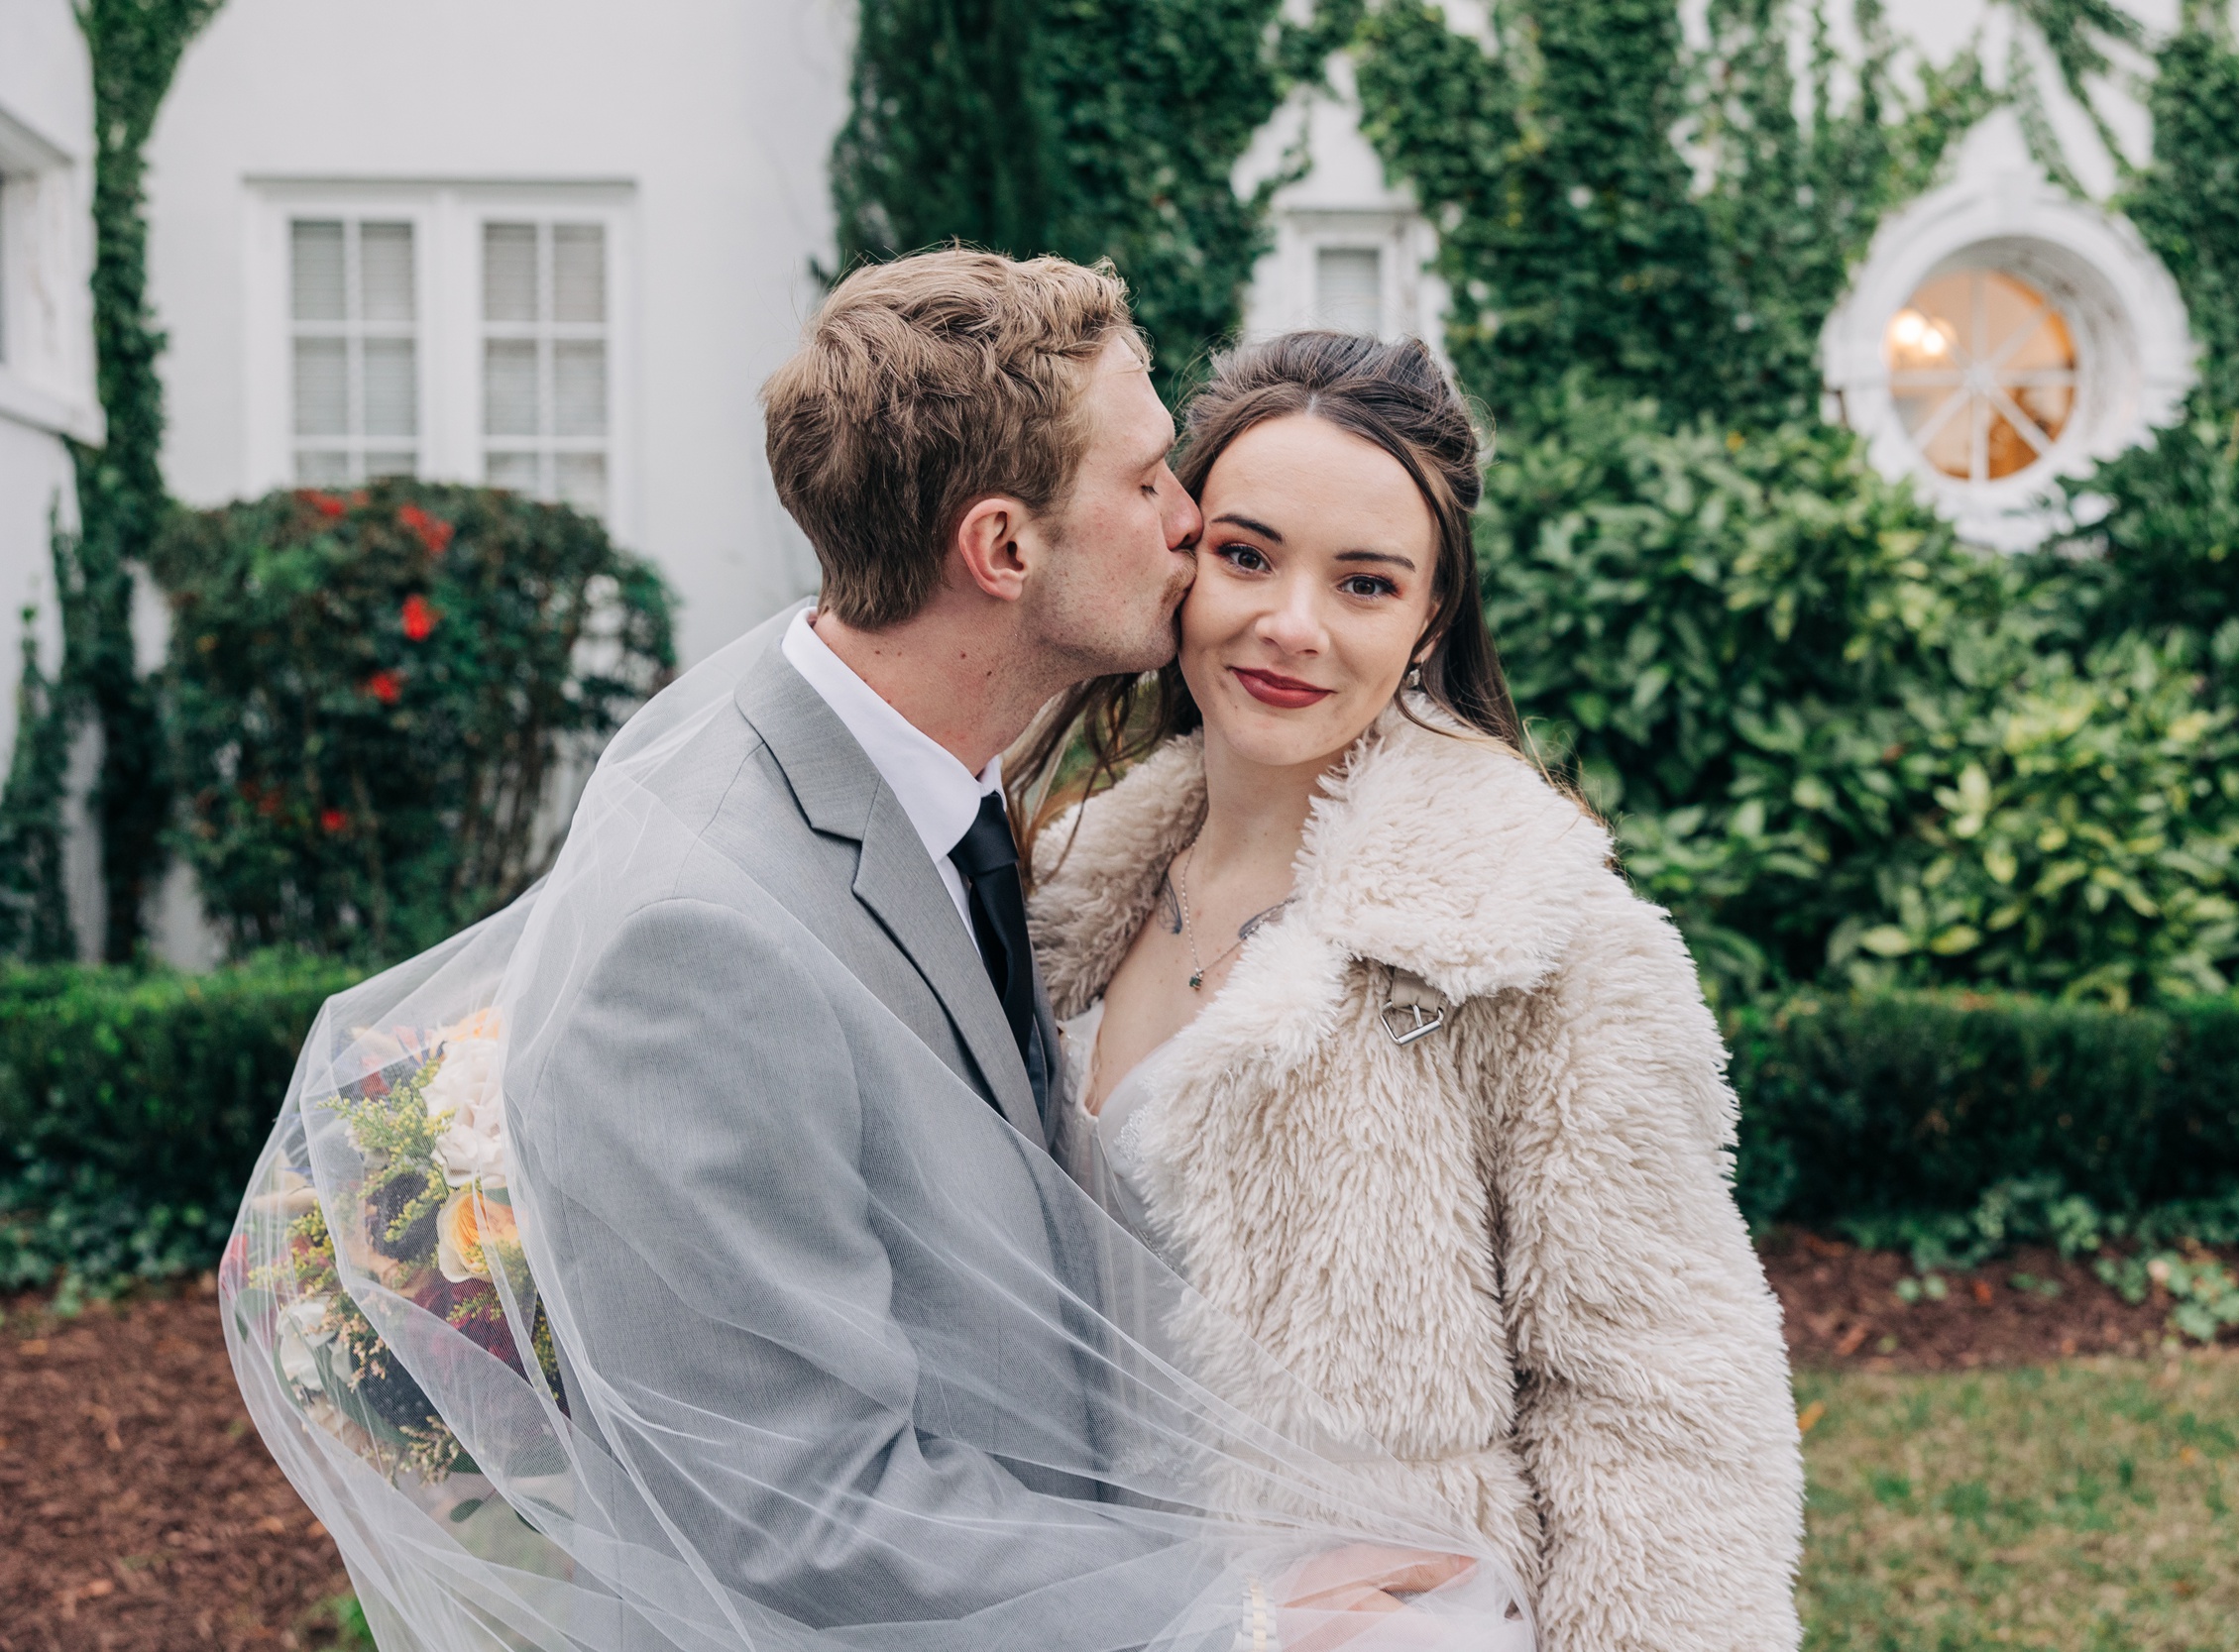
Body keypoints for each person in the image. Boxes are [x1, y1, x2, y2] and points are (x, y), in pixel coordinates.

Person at [224, 253, 1527, 1652]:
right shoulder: (702, 939)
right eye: (1146, 481)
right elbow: (787, 1497)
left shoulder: (901, 748)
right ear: (1005, 551)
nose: (1189, 517)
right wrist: (1239, 1613)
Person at [1020, 331, 1806, 1652]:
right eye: (1247, 555)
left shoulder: (1538, 945)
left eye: (1366, 583)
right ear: (1179, 555)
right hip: (1101, 1612)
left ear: (1430, 618)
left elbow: (1665, 1415)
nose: (1292, 626)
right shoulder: (1058, 893)